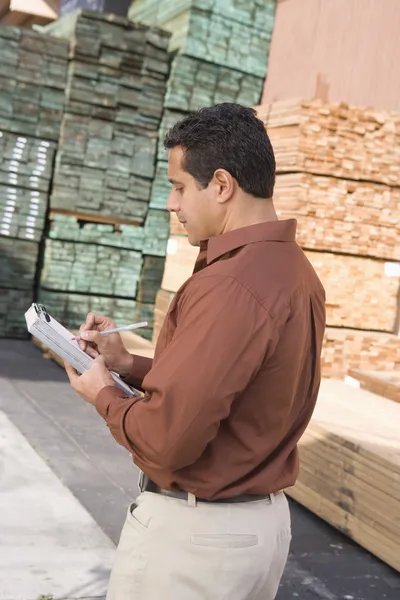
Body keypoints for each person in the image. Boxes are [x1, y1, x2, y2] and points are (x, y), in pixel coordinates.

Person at [65, 103, 326, 600]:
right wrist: (126, 365)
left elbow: (166, 441)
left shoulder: (231, 283)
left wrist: (102, 392)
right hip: (256, 529)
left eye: (180, 186)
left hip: (198, 543)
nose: (171, 202)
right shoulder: (296, 272)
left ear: (223, 185)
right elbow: (239, 389)